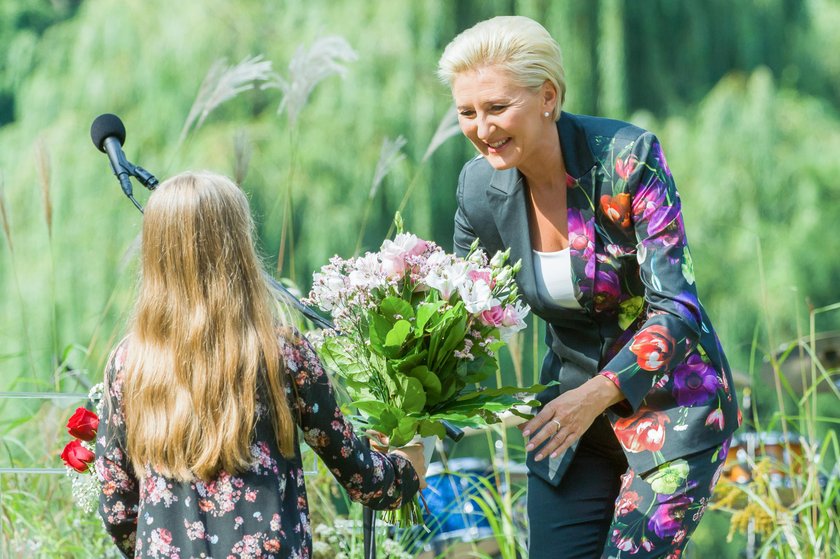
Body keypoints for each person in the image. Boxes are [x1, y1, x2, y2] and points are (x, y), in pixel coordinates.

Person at [438, 16, 740, 559]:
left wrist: (599, 392)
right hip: (568, 423)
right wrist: (410, 398)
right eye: (467, 112)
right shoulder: (478, 188)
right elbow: (461, 317)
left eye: (498, 108)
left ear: (547, 97)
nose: (482, 128)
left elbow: (678, 305)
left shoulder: (628, 159)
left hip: (673, 408)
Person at [94, 171, 426, 558]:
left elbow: (117, 505)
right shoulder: (282, 353)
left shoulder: (130, 363)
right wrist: (405, 470)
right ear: (238, 246)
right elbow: (360, 477)